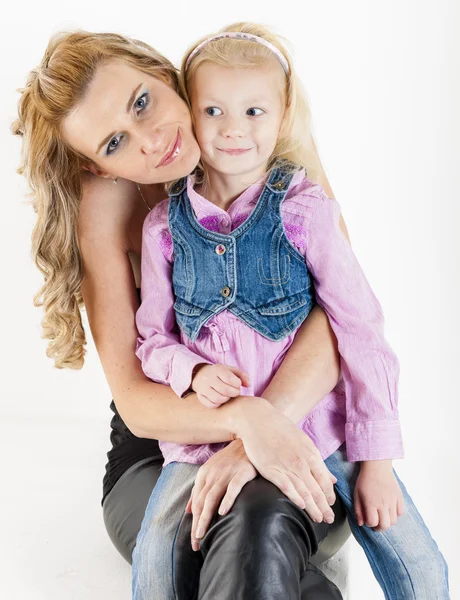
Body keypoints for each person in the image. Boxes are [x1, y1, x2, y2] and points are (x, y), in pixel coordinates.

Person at [13, 29, 353, 599]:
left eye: (142, 102)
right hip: (160, 454)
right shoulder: (108, 206)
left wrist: (261, 429)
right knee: (228, 532)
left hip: (300, 428)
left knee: (256, 515)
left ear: (163, 72)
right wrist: (241, 420)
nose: (150, 141)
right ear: (99, 168)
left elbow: (341, 320)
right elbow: (138, 403)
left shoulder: (256, 132)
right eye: (115, 143)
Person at [133, 22, 450, 600]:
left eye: (254, 111)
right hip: (205, 447)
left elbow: (360, 330)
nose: (234, 130)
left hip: (318, 436)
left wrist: (375, 458)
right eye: (214, 110)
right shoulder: (163, 231)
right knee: (153, 563)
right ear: (190, 114)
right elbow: (152, 342)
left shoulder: (304, 212)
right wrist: (194, 371)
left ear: (282, 118)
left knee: (422, 570)